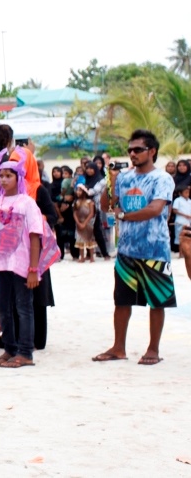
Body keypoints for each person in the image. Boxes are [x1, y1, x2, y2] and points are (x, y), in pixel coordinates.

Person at [93, 130, 175, 366]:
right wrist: (111, 180)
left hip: (155, 250)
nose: (132, 154)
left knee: (157, 301)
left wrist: (125, 216)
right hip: (126, 250)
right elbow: (107, 206)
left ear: (152, 151)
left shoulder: (162, 179)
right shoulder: (125, 177)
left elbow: (155, 209)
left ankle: (153, 349)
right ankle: (118, 347)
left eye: (138, 150)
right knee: (121, 300)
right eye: (130, 150)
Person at [0, 161, 44, 368]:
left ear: (19, 177)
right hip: (0, 263)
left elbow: (35, 235)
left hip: (21, 264)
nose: (4, 180)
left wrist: (34, 269)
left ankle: (26, 352)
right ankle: (9, 348)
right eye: (1, 176)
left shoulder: (27, 202)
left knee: (23, 307)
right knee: (3, 307)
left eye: (9, 175)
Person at [73, 185, 97, 262]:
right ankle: (82, 257)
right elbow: (75, 213)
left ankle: (92, 257)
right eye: (77, 190)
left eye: (80, 191)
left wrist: (85, 223)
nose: (78, 192)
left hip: (88, 223)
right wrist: (78, 222)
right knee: (80, 239)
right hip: (79, 222)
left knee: (89, 238)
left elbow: (91, 213)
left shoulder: (90, 202)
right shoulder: (76, 202)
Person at [172, 185, 191, 252]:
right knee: (180, 237)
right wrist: (185, 215)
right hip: (180, 221)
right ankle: (181, 252)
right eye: (185, 192)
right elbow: (175, 210)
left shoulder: (189, 201)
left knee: (187, 237)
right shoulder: (178, 200)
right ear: (180, 193)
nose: (187, 194)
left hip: (188, 221)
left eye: (188, 192)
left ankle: (187, 252)